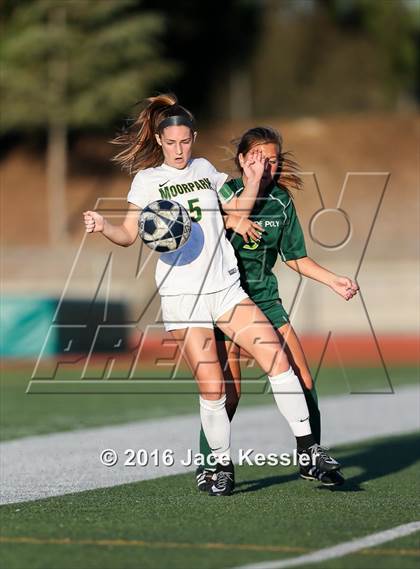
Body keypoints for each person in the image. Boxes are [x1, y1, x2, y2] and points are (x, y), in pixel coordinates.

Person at [83, 94, 343, 496]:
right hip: (183, 297)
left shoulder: (206, 170)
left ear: (194, 138)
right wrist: (104, 225)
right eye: (171, 143)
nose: (179, 150)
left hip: (224, 288)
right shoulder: (147, 181)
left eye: (185, 142)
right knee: (214, 388)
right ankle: (218, 466)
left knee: (277, 359)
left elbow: (237, 206)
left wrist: (254, 182)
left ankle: (309, 452)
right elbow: (129, 235)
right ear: (159, 139)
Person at [196, 126, 359, 491]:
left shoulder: (283, 200)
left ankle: (310, 458)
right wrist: (232, 218)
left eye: (273, 159)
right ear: (242, 160)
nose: (267, 166)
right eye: (258, 158)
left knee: (302, 379)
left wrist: (333, 280)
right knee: (226, 391)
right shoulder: (224, 191)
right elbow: (201, 228)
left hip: (265, 299)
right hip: (224, 298)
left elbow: (295, 257)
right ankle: (210, 465)